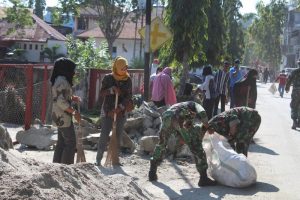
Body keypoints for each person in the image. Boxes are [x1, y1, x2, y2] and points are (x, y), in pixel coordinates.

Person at [148, 101, 216, 187]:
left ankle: (152, 172)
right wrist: (208, 127)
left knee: (161, 144)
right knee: (196, 146)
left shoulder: (180, 105)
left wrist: (182, 136)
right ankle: (203, 178)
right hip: (178, 119)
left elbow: (181, 131)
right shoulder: (196, 105)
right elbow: (203, 114)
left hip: (166, 117)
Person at [95, 56, 133, 166]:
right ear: (117, 67)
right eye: (123, 68)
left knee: (118, 135)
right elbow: (102, 93)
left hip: (121, 111)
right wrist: (111, 90)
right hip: (107, 110)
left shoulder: (128, 79)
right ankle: (98, 159)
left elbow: (128, 97)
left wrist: (119, 108)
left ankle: (115, 159)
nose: (125, 70)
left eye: (126, 68)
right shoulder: (108, 78)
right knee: (104, 134)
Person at [51, 57, 81, 165]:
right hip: (63, 117)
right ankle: (66, 167)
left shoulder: (60, 79)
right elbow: (60, 101)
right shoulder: (62, 81)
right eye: (72, 69)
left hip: (60, 117)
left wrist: (72, 98)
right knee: (71, 142)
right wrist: (74, 112)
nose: (73, 72)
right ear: (66, 69)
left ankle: (57, 165)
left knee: (61, 143)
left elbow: (61, 95)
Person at [285, 59, 300, 129]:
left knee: (294, 106)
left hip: (296, 91)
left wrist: (287, 88)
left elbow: (289, 80)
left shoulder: (294, 71)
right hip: (296, 91)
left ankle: (294, 121)